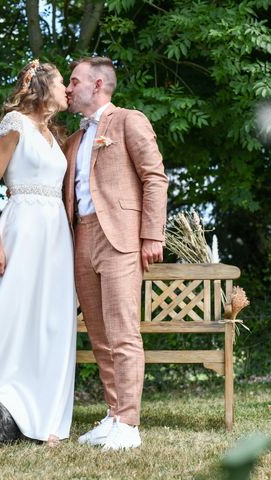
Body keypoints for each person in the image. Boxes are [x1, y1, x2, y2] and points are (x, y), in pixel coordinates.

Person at [0, 60, 76, 447]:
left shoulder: (51, 134)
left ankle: (43, 414)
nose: (67, 91)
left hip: (55, 234)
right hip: (21, 229)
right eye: (62, 85)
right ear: (43, 88)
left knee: (49, 321)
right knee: (10, 313)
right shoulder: (15, 124)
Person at [63, 57, 169, 450]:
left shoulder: (128, 120)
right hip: (81, 239)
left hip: (121, 237)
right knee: (99, 334)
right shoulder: (74, 139)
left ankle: (129, 423)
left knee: (123, 331)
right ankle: (113, 415)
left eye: (74, 81)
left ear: (99, 84)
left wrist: (151, 235)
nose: (69, 88)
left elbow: (154, 178)